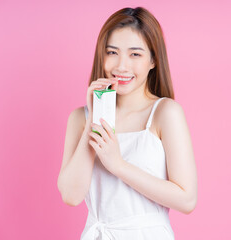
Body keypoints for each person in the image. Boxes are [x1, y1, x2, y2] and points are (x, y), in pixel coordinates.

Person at [57, 7, 197, 240]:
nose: (121, 66)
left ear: (153, 60)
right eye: (112, 52)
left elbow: (187, 199)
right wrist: (94, 116)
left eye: (135, 54)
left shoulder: (165, 113)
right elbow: (71, 196)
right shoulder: (80, 118)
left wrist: (118, 165)